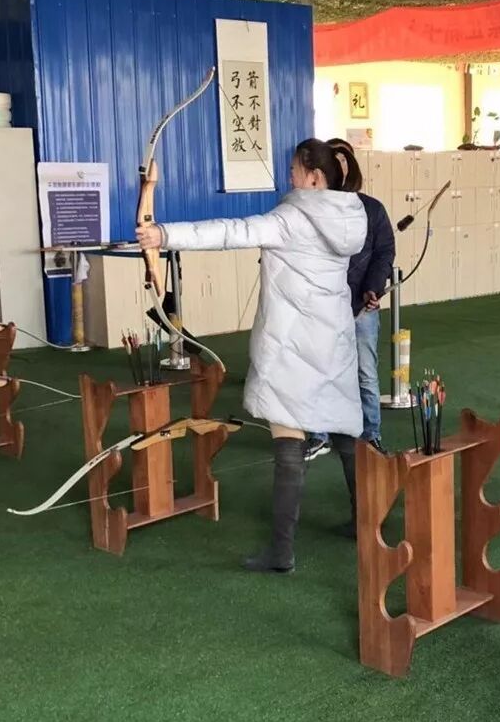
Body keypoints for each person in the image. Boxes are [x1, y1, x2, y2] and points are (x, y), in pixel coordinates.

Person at [136, 138, 367, 573]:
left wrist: (163, 234)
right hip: (332, 340)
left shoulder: (291, 219)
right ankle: (365, 524)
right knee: (342, 431)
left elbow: (231, 231)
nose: (289, 176)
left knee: (289, 439)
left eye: (295, 169)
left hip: (291, 345)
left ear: (314, 177)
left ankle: (281, 552)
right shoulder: (349, 216)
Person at [304, 137, 396, 496]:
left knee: (365, 373)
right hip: (322, 307)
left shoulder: (371, 209)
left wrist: (373, 288)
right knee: (319, 370)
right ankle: (319, 434)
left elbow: (384, 251)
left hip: (360, 307)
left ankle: (370, 434)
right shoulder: (312, 211)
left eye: (343, 163)